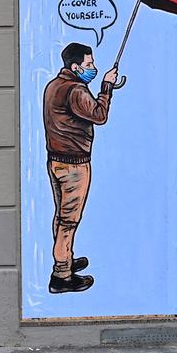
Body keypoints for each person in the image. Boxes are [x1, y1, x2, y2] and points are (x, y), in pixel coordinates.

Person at [43, 42, 118, 294]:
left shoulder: (54, 85)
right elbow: (99, 115)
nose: (93, 68)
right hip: (74, 165)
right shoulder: (76, 90)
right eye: (89, 64)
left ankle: (64, 259)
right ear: (75, 67)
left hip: (55, 161)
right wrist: (106, 87)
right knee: (69, 222)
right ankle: (61, 276)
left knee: (61, 216)